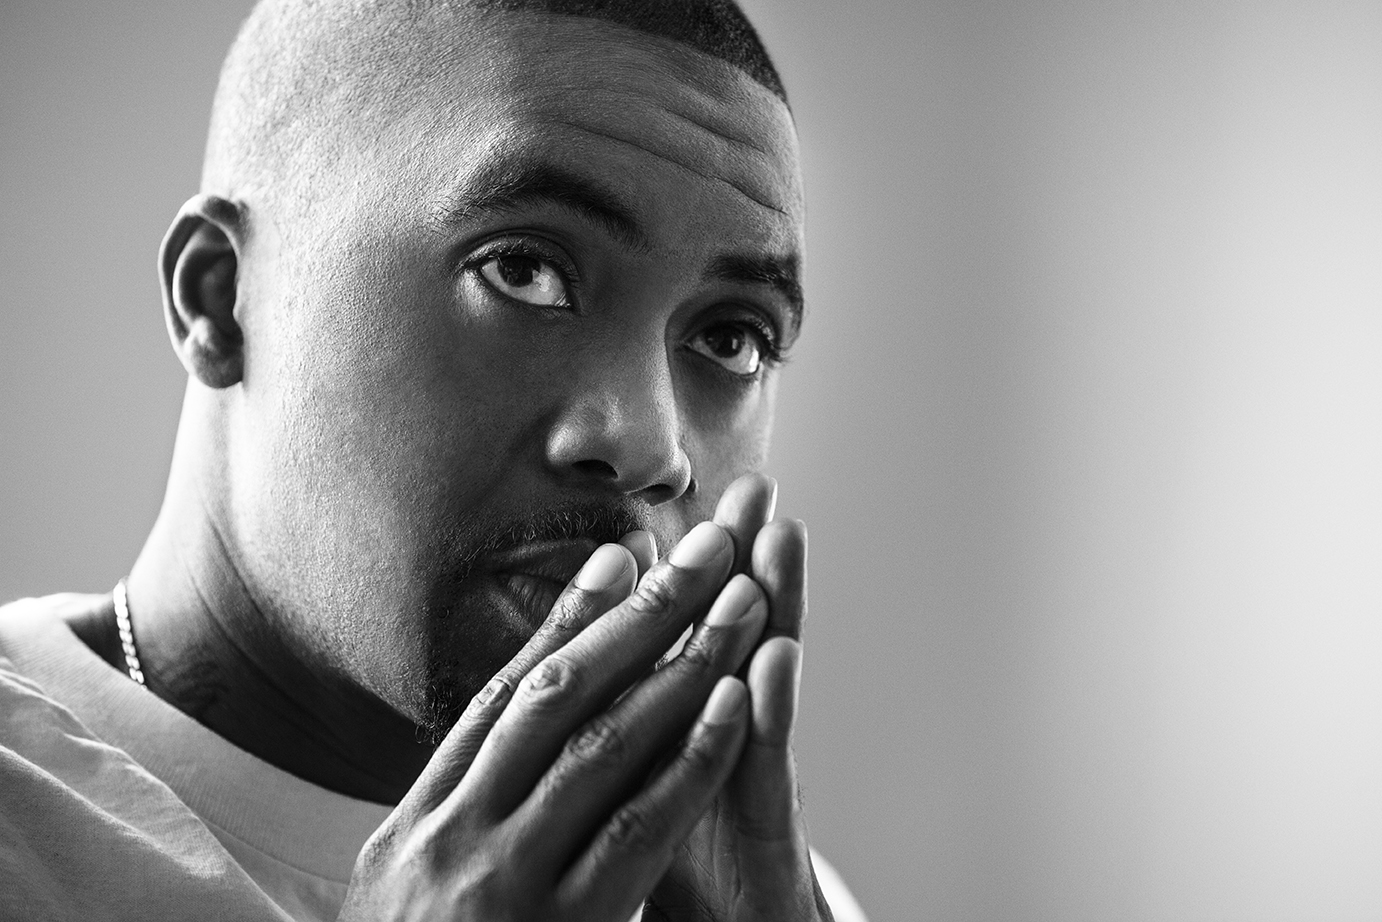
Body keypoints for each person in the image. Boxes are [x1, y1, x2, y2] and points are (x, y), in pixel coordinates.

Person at [0, 1, 866, 919]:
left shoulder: (766, 900)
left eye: (731, 338)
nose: (650, 447)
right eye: (524, 270)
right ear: (220, 297)